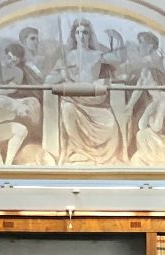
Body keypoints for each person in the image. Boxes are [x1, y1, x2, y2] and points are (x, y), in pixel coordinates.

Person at [46, 18, 127, 165]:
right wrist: (62, 75)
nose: (81, 36)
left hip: (94, 100)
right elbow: (48, 81)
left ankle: (97, 156)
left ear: (90, 35)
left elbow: (120, 59)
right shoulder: (67, 57)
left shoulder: (97, 55)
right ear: (74, 36)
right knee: (67, 108)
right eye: (78, 32)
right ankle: (77, 151)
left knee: (111, 125)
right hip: (74, 99)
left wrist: (119, 39)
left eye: (85, 32)